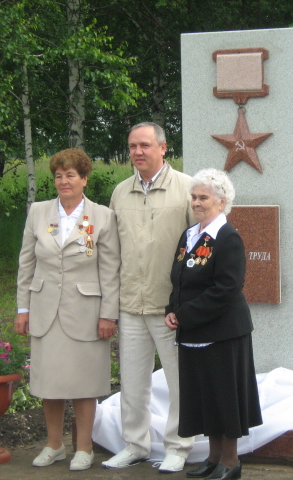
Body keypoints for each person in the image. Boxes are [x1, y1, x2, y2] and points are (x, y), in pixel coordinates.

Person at [15, 148, 120, 471]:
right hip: (45, 310)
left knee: (84, 384)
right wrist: (23, 308)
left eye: (71, 175)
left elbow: (110, 268)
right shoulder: (38, 212)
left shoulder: (102, 216)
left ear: (84, 179)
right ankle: (54, 445)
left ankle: (84, 447)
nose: (64, 181)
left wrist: (108, 314)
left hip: (87, 312)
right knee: (51, 383)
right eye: (59, 175)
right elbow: (26, 262)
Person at [103, 122, 195, 473]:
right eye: (132, 146)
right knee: (133, 382)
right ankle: (135, 444)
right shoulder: (120, 192)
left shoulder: (186, 189)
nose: (137, 152)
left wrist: (184, 304)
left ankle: (178, 446)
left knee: (178, 382)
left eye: (144, 145)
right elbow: (112, 251)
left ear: (163, 147)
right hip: (130, 304)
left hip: (169, 308)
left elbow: (197, 250)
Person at [165, 168, 262, 480]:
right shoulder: (190, 235)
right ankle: (213, 458)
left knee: (224, 397)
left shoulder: (227, 236)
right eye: (193, 197)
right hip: (194, 331)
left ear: (221, 202)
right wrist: (171, 309)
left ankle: (231, 462)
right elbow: (179, 279)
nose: (196, 202)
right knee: (204, 397)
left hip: (223, 333)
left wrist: (185, 315)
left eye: (203, 197)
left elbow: (226, 288)